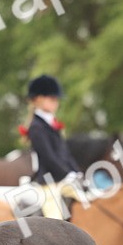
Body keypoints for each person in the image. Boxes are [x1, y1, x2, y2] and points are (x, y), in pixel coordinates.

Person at [25, 74, 81, 218]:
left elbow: (65, 153)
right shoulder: (36, 127)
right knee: (55, 219)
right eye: (52, 99)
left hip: (63, 179)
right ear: (39, 99)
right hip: (48, 182)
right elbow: (48, 156)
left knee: (87, 200)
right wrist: (65, 174)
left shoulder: (52, 123)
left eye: (56, 99)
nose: (56, 103)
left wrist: (76, 172)